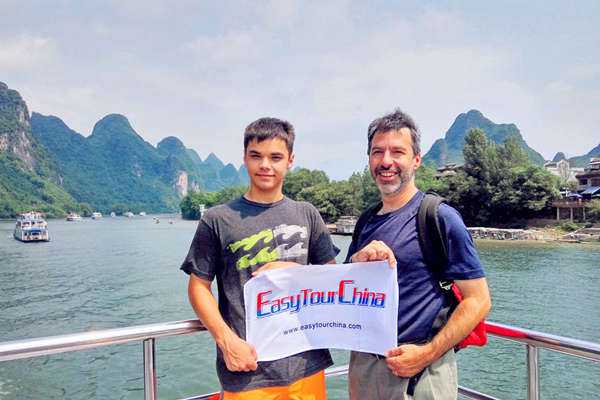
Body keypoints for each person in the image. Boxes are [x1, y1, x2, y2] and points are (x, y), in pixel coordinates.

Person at [181, 117, 339, 400]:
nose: (265, 165)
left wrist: (294, 271)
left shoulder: (307, 214)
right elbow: (197, 287)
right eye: (256, 156)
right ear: (244, 158)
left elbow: (332, 279)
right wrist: (226, 340)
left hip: (307, 364)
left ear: (290, 161)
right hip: (247, 371)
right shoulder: (218, 219)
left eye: (275, 157)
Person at [346, 109, 491, 400]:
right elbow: (346, 290)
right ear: (370, 161)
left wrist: (426, 354)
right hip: (365, 368)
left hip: (420, 372)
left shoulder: (439, 218)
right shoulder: (366, 221)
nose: (386, 161)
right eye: (378, 152)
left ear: (416, 160)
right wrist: (355, 263)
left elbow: (479, 300)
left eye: (397, 152)